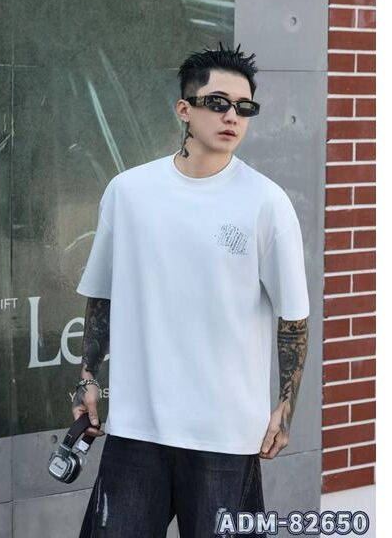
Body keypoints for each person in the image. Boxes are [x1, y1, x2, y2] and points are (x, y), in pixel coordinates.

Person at [72, 42, 310, 538]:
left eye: (244, 107)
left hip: (226, 435)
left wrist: (284, 408)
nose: (232, 116)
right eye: (218, 103)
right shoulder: (128, 192)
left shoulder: (267, 204)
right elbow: (103, 297)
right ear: (184, 109)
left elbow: (293, 319)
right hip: (137, 430)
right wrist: (88, 379)